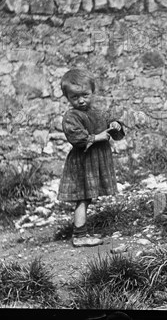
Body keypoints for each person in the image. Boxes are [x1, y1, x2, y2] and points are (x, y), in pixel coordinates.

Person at [58, 68, 125, 246]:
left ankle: (81, 231)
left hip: (94, 161)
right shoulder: (71, 116)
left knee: (87, 197)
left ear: (92, 92)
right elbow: (77, 137)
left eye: (85, 95)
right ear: (67, 98)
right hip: (83, 162)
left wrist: (115, 125)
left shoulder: (96, 112)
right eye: (75, 97)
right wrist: (97, 137)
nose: (81, 100)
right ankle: (79, 235)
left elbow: (108, 122)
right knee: (83, 197)